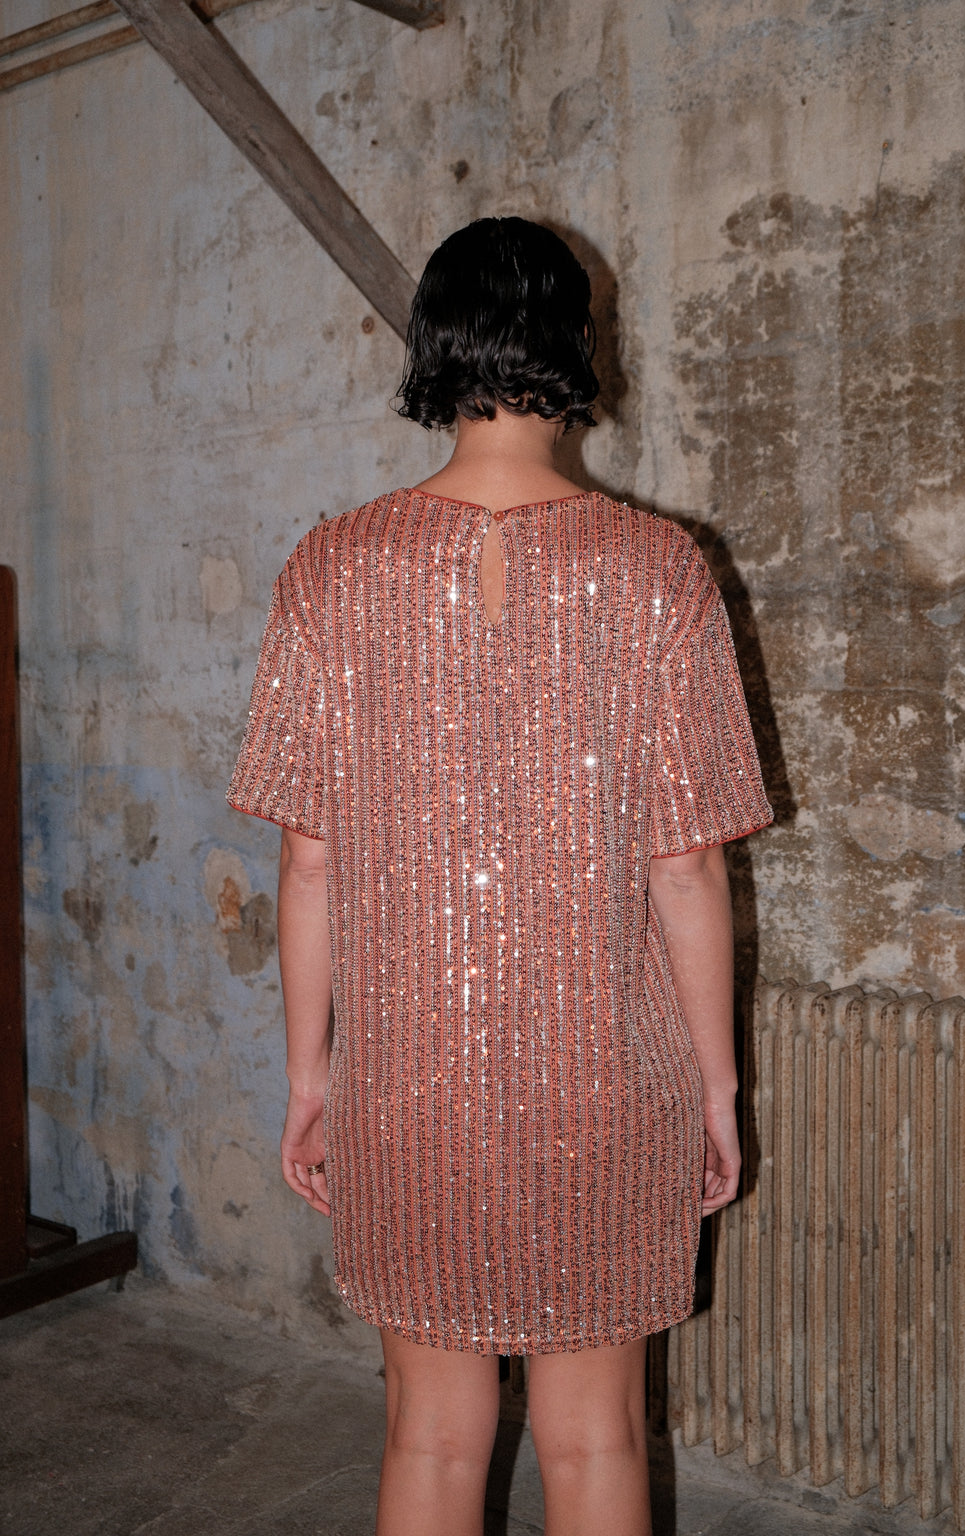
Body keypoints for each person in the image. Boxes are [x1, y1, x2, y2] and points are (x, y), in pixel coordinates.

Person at [227, 216, 772, 1536]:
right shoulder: (658, 570)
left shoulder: (332, 566)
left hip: (405, 1086)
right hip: (612, 1086)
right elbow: (688, 867)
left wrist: (310, 1077)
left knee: (427, 1438)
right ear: (575, 345)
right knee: (598, 1444)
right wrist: (716, 1085)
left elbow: (308, 859)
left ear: (435, 344)